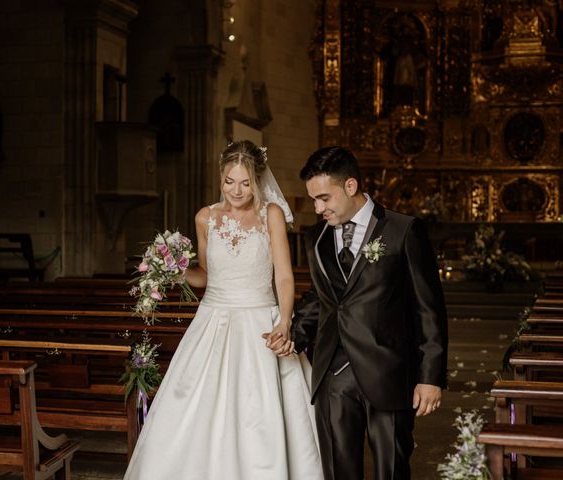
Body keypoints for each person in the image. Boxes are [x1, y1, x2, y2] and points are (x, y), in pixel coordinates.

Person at [123, 140, 324, 480]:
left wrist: (286, 321)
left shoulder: (270, 214)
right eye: (230, 181)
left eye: (245, 183)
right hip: (212, 323)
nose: (237, 190)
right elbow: (204, 276)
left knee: (258, 413)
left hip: (260, 321)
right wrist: (172, 270)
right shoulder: (206, 217)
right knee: (194, 409)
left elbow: (285, 276)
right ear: (220, 177)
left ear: (257, 180)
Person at [292, 146, 448, 480]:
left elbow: (429, 308)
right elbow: (323, 298)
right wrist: (291, 335)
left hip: (390, 371)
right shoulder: (316, 238)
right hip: (333, 372)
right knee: (337, 470)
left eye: (324, 198)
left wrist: (430, 377)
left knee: (391, 469)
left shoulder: (403, 230)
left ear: (350, 186)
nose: (318, 208)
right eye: (314, 200)